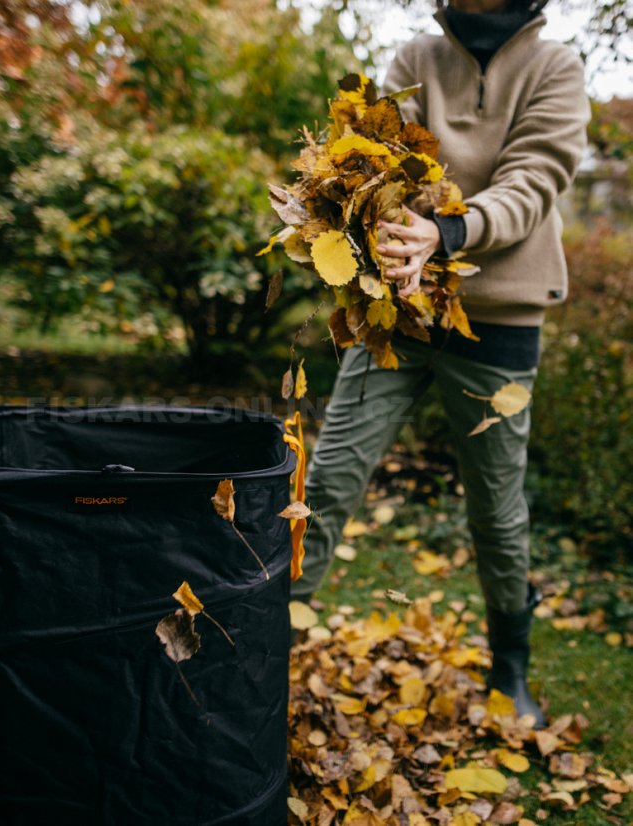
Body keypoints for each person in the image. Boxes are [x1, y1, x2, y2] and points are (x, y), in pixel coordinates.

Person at [290, 0, 590, 728]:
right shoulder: (416, 59)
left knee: (495, 512)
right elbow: (376, 165)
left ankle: (509, 671)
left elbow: (533, 180)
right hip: (399, 314)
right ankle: (261, 648)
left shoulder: (555, 66)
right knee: (326, 480)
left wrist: (447, 232)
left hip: (500, 321)